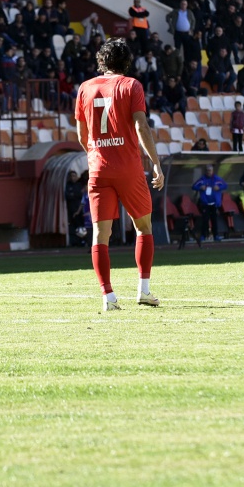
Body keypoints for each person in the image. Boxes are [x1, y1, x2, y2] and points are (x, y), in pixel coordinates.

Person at [74, 38, 165, 311]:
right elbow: (141, 126)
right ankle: (144, 290)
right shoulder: (131, 85)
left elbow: (81, 135)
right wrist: (156, 162)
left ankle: (108, 297)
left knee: (100, 235)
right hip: (128, 167)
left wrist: (98, 153)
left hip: (99, 168)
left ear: (101, 61)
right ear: (126, 61)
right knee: (143, 227)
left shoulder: (85, 88)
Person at [191, 164, 227, 244]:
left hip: (214, 204)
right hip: (205, 203)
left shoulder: (217, 179)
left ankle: (216, 235)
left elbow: (225, 185)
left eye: (210, 170)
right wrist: (200, 188)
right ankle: (203, 235)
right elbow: (193, 186)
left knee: (214, 220)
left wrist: (219, 188)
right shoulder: (202, 179)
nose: (209, 172)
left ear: (212, 171)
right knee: (205, 220)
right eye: (207, 170)